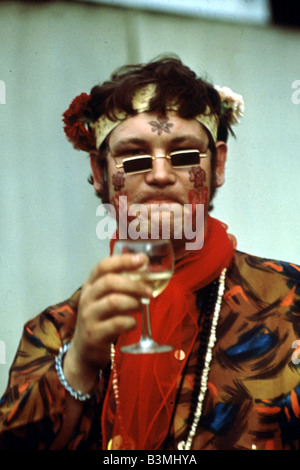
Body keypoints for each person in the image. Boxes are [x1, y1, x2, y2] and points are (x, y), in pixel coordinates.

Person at [0, 56, 299, 451]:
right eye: (135, 156)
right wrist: (79, 364)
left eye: (185, 155)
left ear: (219, 165)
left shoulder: (290, 302)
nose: (160, 174)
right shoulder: (57, 330)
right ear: (100, 172)